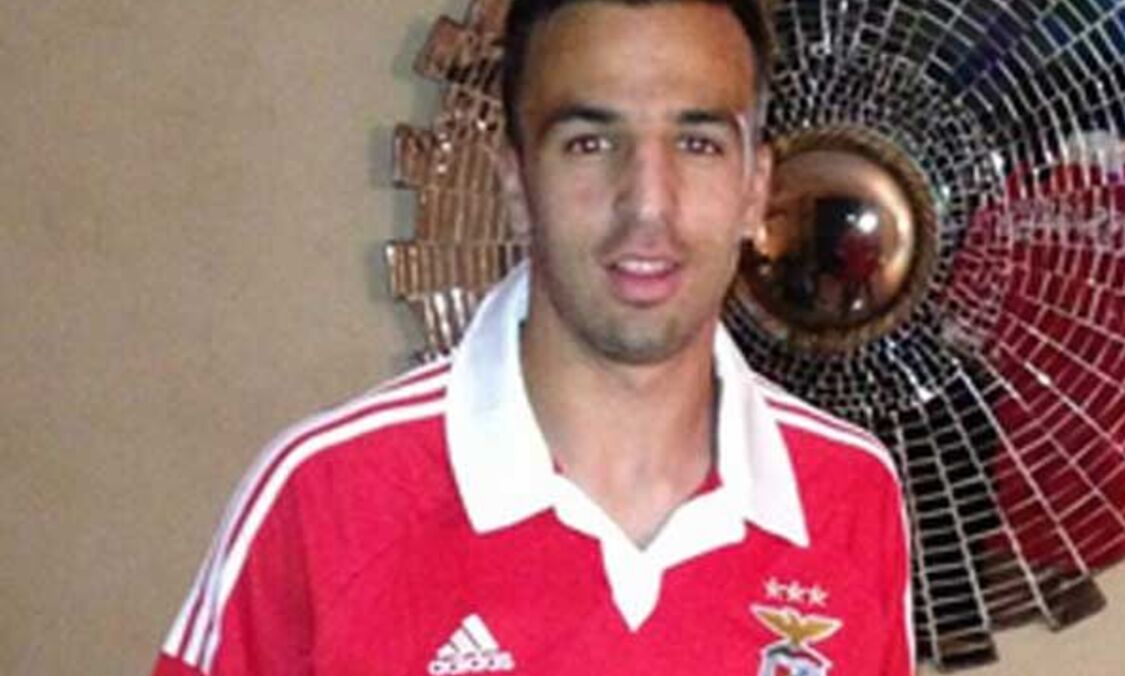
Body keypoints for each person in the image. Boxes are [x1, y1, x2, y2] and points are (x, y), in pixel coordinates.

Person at [153, 1, 913, 674]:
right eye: (590, 143)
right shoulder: (325, 499)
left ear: (754, 189)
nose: (648, 204)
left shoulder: (850, 494)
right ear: (516, 183)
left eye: (698, 144)